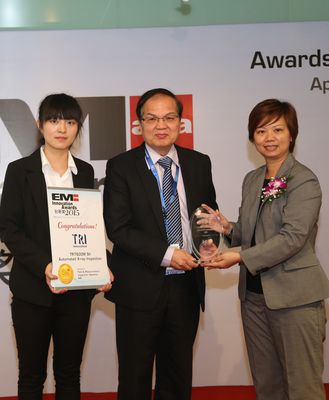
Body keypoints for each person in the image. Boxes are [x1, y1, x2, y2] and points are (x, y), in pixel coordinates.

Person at [203, 99, 329, 400]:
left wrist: (240, 256)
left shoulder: (304, 180)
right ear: (252, 137)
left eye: (277, 129)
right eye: (261, 131)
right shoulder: (252, 180)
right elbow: (254, 233)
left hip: (295, 299)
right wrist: (228, 228)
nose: (269, 138)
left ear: (291, 134)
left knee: (303, 388)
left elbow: (293, 238)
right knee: (267, 386)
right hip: (253, 298)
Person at [103, 88, 218, 399]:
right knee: (134, 379)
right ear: (139, 124)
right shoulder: (121, 166)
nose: (161, 125)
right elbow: (118, 228)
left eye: (169, 117)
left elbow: (208, 216)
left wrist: (209, 243)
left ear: (181, 122)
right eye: (151, 118)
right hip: (139, 288)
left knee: (177, 378)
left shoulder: (199, 163)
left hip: (186, 287)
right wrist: (168, 254)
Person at [0, 93, 112, 400]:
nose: (62, 129)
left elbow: (88, 227)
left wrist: (101, 266)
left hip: (76, 293)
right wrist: (46, 266)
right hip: (32, 292)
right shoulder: (20, 170)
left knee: (69, 374)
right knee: (31, 376)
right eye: (54, 120)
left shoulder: (84, 172)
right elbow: (9, 229)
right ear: (40, 125)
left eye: (70, 122)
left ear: (78, 128)